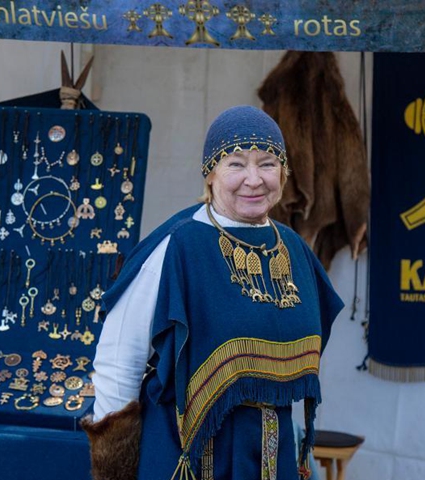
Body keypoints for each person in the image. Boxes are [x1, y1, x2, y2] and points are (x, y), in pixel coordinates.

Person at [81, 105, 344, 480]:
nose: (254, 179)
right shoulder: (176, 248)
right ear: (210, 174)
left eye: (267, 163)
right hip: (189, 459)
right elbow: (119, 362)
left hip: (273, 456)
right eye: (235, 164)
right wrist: (114, 470)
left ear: (283, 172)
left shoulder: (294, 249)